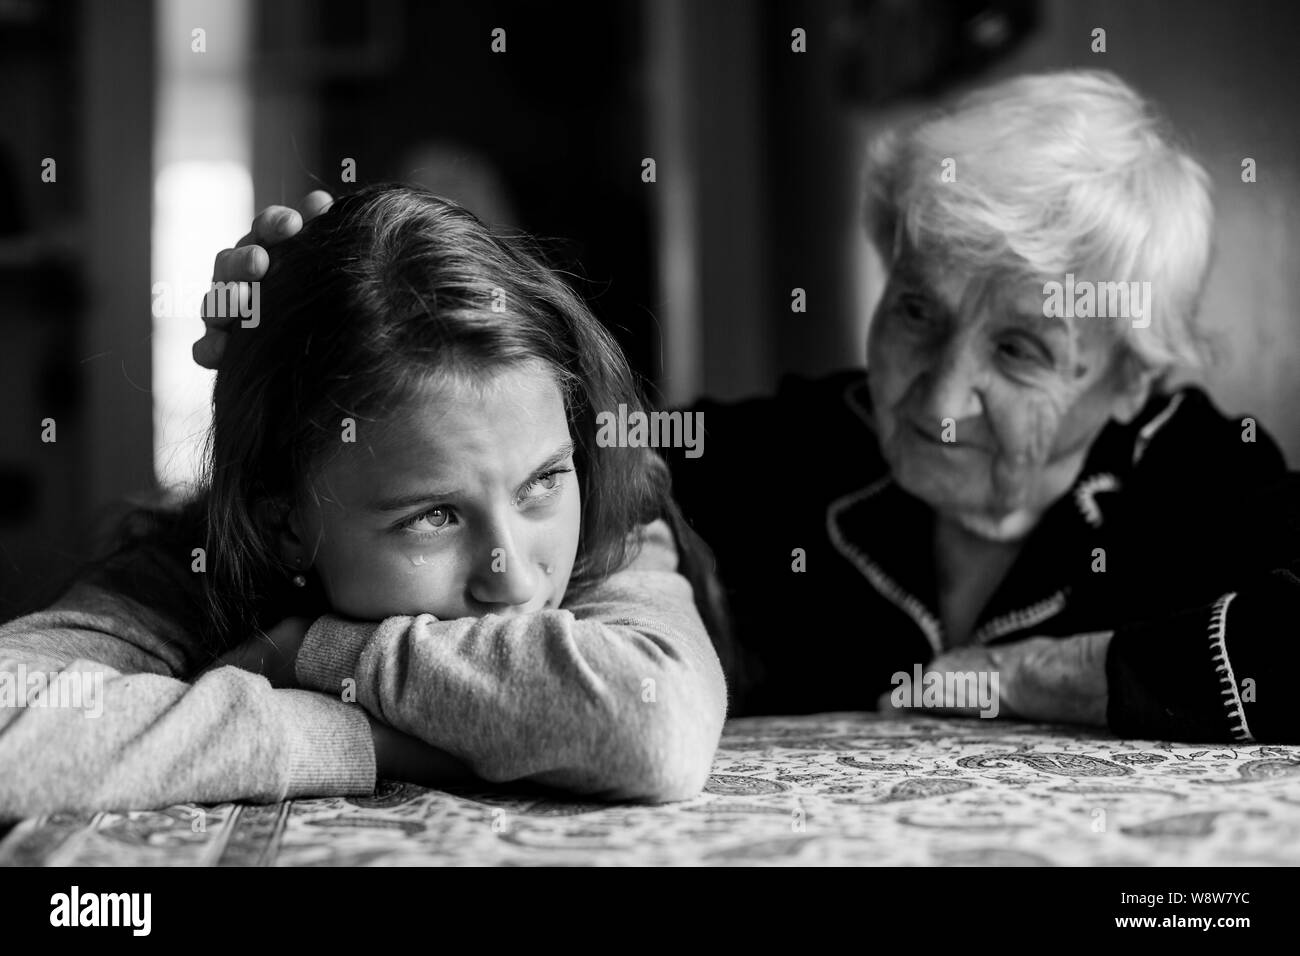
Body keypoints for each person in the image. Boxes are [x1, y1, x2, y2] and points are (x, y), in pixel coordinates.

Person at [198, 71, 1300, 745]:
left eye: (1020, 348)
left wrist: (1036, 675)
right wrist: (313, 363)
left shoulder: (1200, 474)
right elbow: (515, 462)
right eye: (915, 310)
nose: (935, 391)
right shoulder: (798, 445)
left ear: (1131, 378)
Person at [0, 185, 727, 818]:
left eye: (542, 482)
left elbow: (651, 728)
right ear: (283, 525)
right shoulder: (188, 579)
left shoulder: (612, 521)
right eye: (434, 516)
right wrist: (365, 740)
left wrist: (316, 651)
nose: (517, 577)